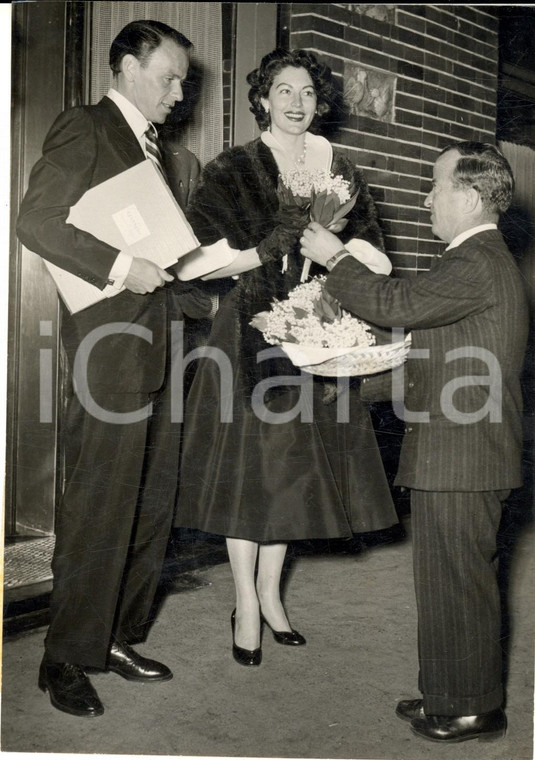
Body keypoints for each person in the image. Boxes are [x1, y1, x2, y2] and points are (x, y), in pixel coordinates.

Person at [174, 48, 399, 667]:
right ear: (263, 99)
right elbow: (194, 259)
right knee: (252, 473)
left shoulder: (339, 167)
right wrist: (261, 251)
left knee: (293, 473)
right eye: (284, 91)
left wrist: (334, 255)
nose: (297, 103)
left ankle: (272, 596)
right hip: (250, 332)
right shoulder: (234, 167)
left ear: (318, 101)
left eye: (307, 92)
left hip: (319, 330)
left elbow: (373, 252)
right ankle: (245, 599)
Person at [16, 19, 213, 718]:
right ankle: (65, 658)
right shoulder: (86, 127)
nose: (179, 91)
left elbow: (167, 259)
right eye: (169, 76)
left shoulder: (160, 151)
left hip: (162, 350)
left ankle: (118, 638)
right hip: (109, 354)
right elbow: (36, 221)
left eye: (184, 80)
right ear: (127, 66)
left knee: (149, 509)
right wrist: (122, 265)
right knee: (99, 510)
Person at [300, 142, 529, 743]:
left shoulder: (476, 258)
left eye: (435, 186)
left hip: (463, 452)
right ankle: (451, 694)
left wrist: (337, 256)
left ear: (472, 196)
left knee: (456, 581)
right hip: (461, 448)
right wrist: (355, 376)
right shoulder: (476, 261)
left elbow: (395, 302)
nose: (427, 198)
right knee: (448, 579)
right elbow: (426, 354)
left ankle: (471, 707)